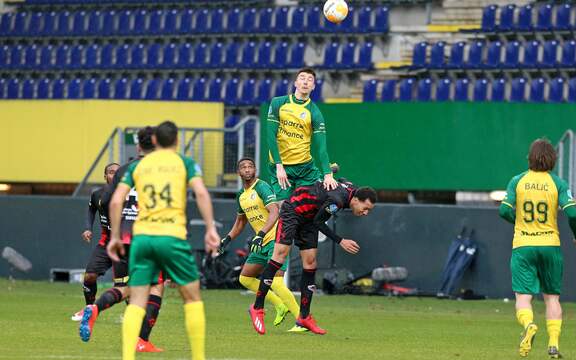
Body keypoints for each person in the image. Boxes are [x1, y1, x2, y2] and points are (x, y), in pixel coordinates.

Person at [108, 121, 220, 360]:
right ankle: (198, 357)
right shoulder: (185, 163)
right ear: (177, 141)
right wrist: (211, 228)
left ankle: (127, 357)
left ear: (155, 141)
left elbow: (116, 201)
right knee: (191, 297)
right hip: (171, 237)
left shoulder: (138, 166)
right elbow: (201, 192)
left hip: (142, 239)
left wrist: (115, 236)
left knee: (137, 299)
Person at [248, 180, 377, 335]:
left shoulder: (353, 190)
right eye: (365, 208)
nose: (365, 213)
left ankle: (304, 317)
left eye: (369, 210)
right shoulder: (337, 201)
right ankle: (257, 308)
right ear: (356, 200)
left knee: (310, 263)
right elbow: (319, 222)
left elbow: (341, 181)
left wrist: (330, 173)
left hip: (309, 218)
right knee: (279, 256)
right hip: (293, 211)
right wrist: (340, 240)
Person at [78, 127, 164, 353]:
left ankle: (95, 308)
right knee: (156, 286)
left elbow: (112, 202)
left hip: (123, 237)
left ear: (138, 147)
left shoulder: (124, 171)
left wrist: (115, 234)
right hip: (148, 237)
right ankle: (142, 340)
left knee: (126, 288)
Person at [499, 138, 576, 359]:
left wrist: (518, 221)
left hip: (523, 246)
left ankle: (528, 325)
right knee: (552, 298)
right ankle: (553, 345)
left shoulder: (517, 181)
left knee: (523, 297)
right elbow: (573, 214)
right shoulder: (558, 183)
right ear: (553, 159)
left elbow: (503, 211)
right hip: (550, 246)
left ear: (529, 157)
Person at [218, 157, 302, 331]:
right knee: (245, 278)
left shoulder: (262, 187)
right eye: (244, 167)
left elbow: (274, 212)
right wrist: (227, 238)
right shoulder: (241, 195)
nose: (247, 169)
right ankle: (280, 305)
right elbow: (240, 222)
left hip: (276, 239)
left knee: (277, 282)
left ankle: (302, 320)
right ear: (238, 172)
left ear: (255, 170)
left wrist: (262, 233)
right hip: (261, 242)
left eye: (250, 166)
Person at [266, 68, 337, 203]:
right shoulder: (278, 103)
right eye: (302, 78)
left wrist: (328, 174)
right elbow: (270, 136)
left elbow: (321, 148)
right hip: (281, 166)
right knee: (284, 208)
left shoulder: (315, 113)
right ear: (295, 83)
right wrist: (279, 166)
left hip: (305, 168)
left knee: (315, 204)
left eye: (310, 80)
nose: (306, 82)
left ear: (313, 87)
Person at [71, 163, 119, 321]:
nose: (114, 175)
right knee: (89, 276)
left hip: (126, 244)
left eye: (117, 172)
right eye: (111, 172)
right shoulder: (97, 194)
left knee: (125, 284)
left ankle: (136, 315)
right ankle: (89, 310)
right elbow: (91, 209)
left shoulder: (130, 195)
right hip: (106, 242)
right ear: (105, 176)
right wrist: (88, 228)